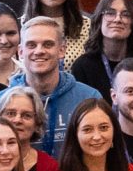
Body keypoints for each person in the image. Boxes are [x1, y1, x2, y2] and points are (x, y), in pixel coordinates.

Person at [9, 16, 104, 159]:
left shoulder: (89, 98)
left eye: (48, 44)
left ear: (61, 50)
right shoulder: (0, 104)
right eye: (31, 45)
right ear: (20, 52)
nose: (39, 51)